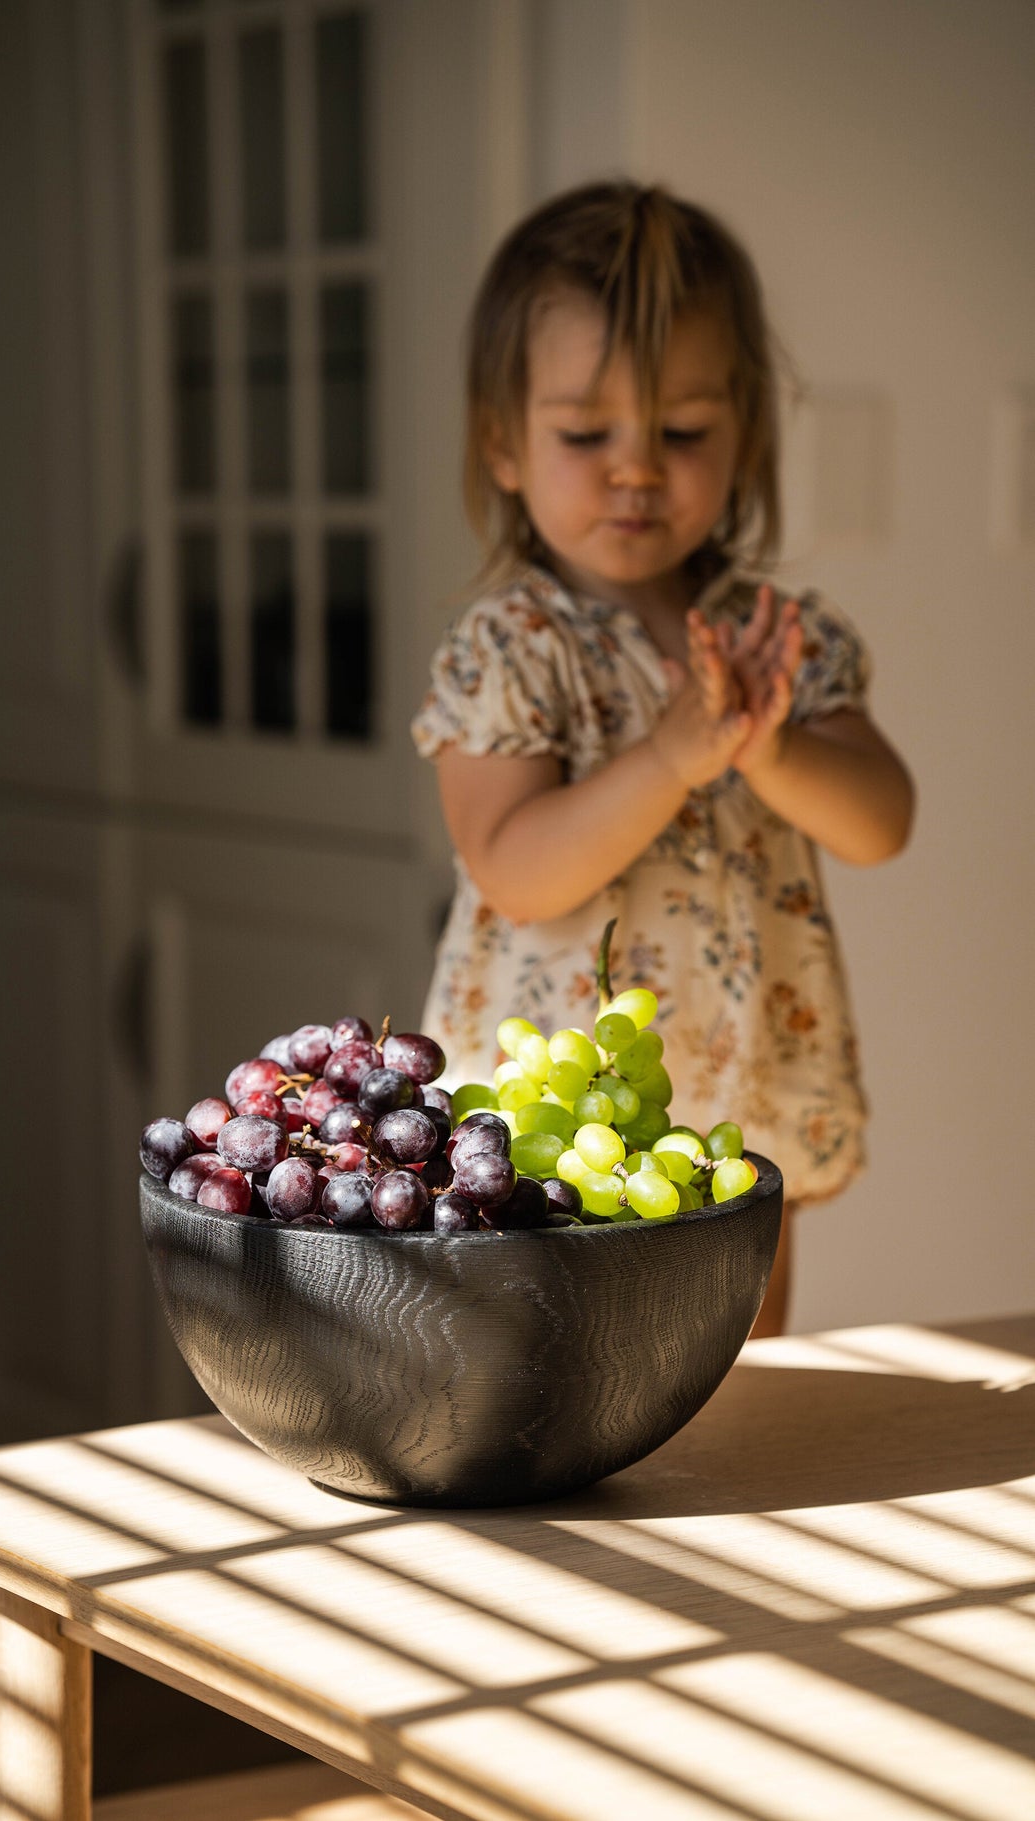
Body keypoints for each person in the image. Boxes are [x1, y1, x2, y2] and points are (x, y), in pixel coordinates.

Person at [411, 181, 915, 1336]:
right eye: (586, 434)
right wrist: (673, 755)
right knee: (553, 1369)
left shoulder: (776, 637)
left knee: (740, 1382)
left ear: (740, 437)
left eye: (682, 431)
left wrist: (765, 743)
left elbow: (879, 821)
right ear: (502, 443)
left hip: (746, 1085)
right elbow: (513, 867)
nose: (635, 469)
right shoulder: (509, 648)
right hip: (561, 1114)